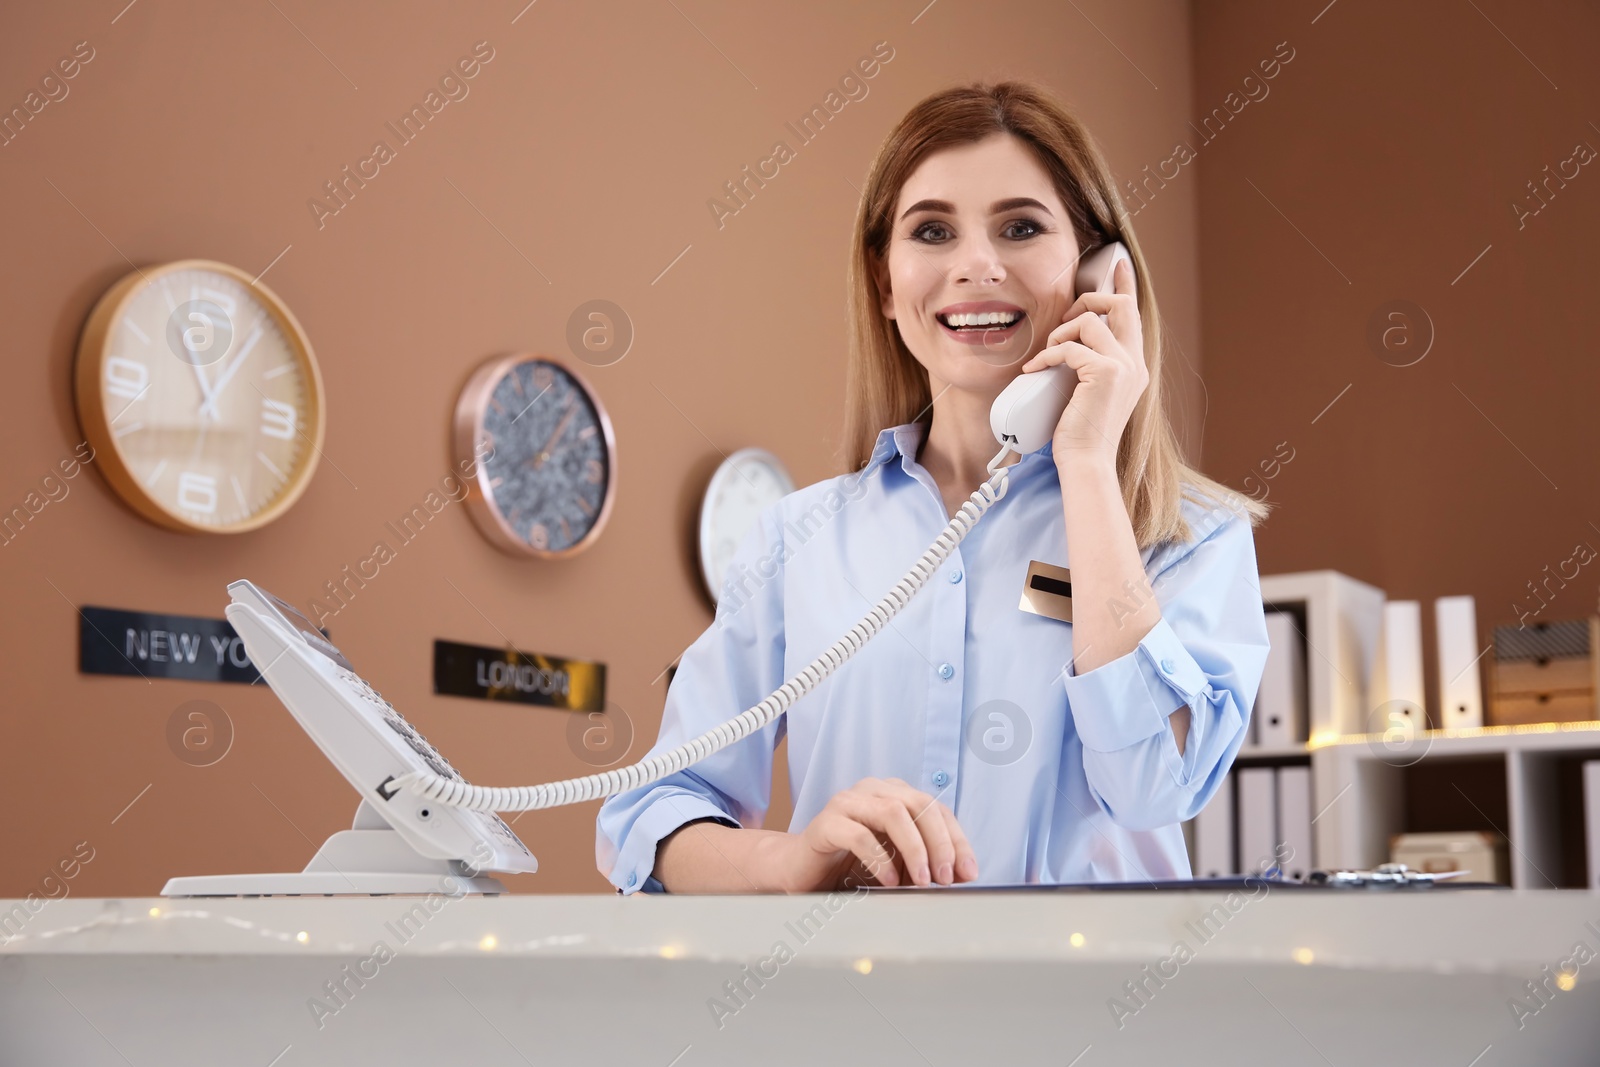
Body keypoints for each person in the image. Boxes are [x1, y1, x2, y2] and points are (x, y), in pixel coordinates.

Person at [596, 81, 1270, 895]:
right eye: (932, 231)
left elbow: (1154, 786)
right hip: (853, 978)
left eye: (1020, 227)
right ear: (885, 283)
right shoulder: (794, 539)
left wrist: (1089, 459)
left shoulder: (1192, 535)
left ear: (1103, 276)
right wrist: (793, 860)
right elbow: (650, 816)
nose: (976, 265)